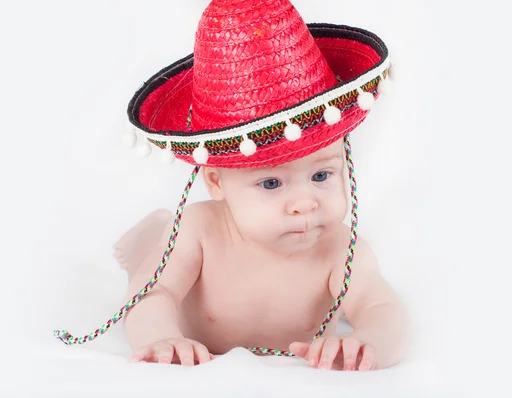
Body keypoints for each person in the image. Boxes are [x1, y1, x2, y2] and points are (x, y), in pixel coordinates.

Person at [55, 0, 408, 371]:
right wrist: (160, 336)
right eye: (271, 183)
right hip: (176, 246)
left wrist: (372, 342)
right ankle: (150, 234)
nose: (305, 203)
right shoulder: (199, 230)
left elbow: (382, 307)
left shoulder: (342, 249)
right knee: (152, 261)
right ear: (215, 182)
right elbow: (151, 294)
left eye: (321, 176)